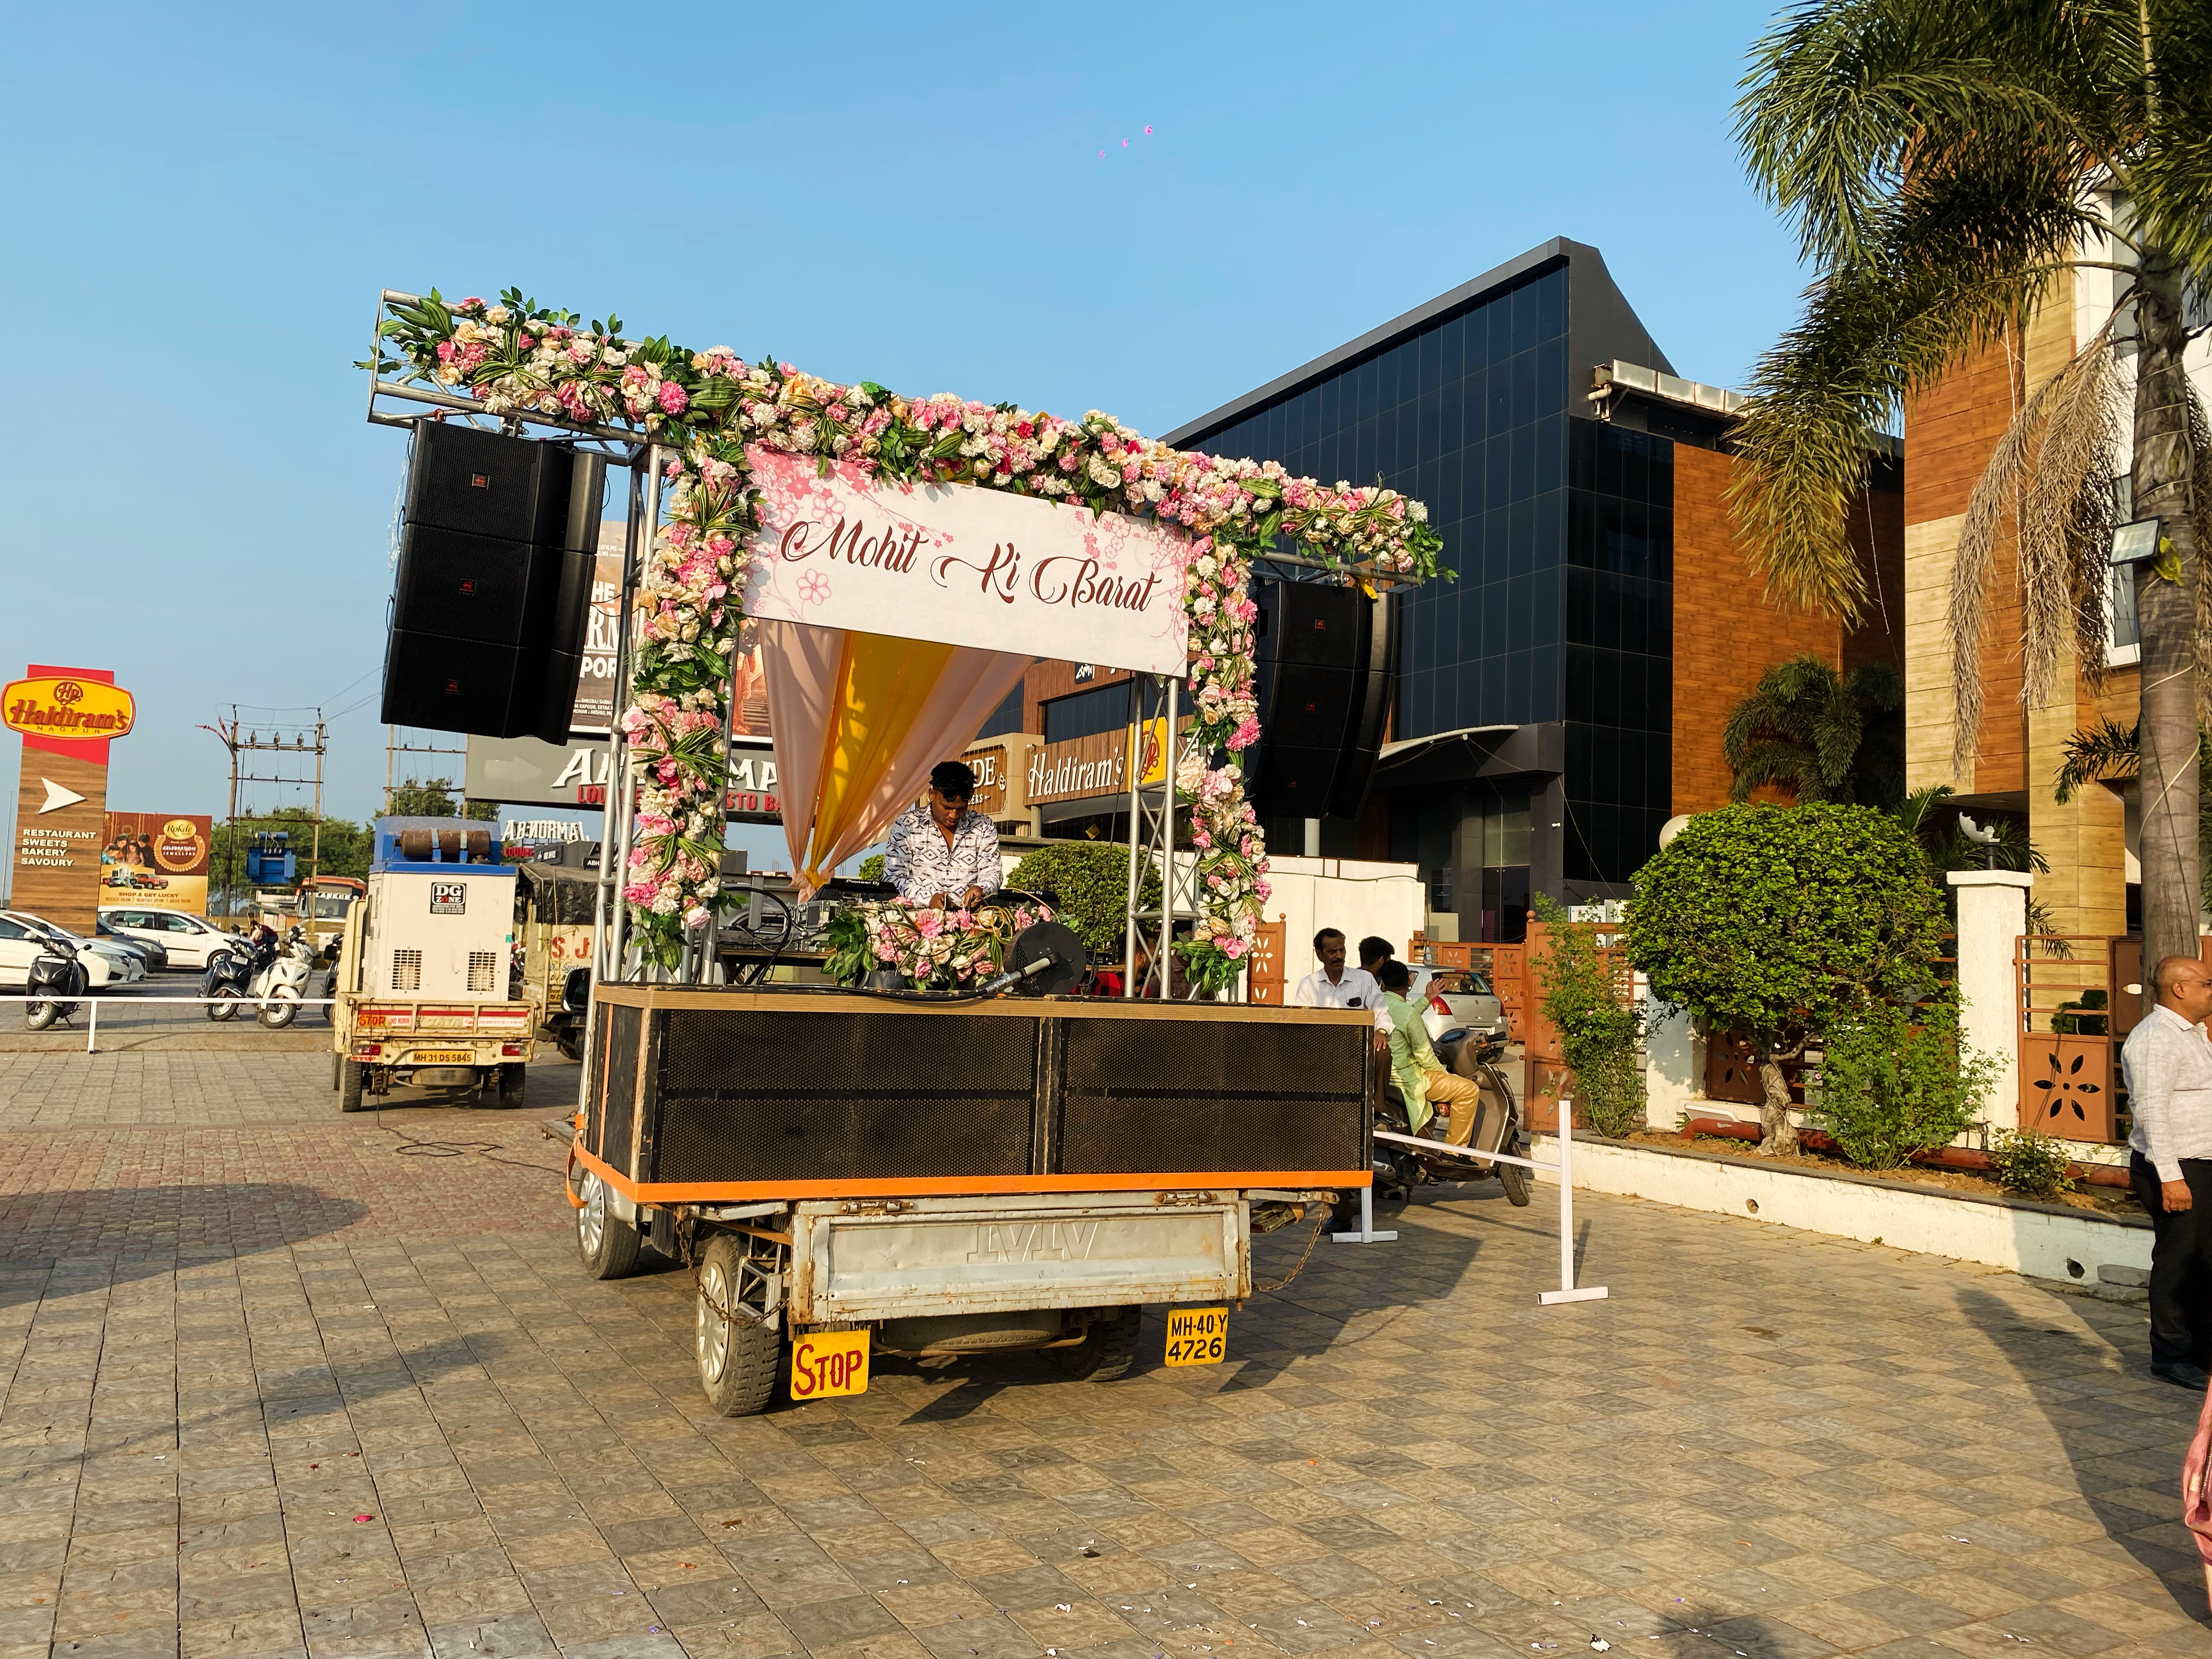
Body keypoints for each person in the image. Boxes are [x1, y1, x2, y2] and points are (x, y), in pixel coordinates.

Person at [2123, 954, 2212, 1389]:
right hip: (2176, 1167)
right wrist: (2171, 1177)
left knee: (2204, 1262)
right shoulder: (2156, 1038)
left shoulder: (2192, 1035)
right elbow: (2152, 1112)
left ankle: (2200, 1352)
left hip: (2202, 1165)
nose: (2211, 991)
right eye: (2207, 984)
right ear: (2180, 988)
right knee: (2179, 1261)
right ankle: (2171, 1355)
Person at [1375, 958, 1480, 1148]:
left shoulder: (1377, 1005)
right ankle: (1455, 1152)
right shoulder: (1407, 1014)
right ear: (1409, 981)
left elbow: (1404, 1016)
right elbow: (1425, 1056)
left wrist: (1427, 999)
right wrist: (1447, 1076)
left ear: (1383, 983)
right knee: (1468, 1090)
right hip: (1409, 1079)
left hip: (1386, 1077)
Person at [883, 761, 1001, 910]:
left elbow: (993, 873)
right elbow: (893, 879)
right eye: (947, 807)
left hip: (972, 923)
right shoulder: (907, 825)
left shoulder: (983, 826)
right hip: (917, 923)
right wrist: (928, 899)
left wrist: (981, 889)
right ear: (932, 795)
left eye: (961, 808)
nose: (954, 815)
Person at [1294, 928, 1380, 1011]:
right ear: (1319, 954)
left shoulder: (1365, 979)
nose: (1339, 956)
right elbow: (1303, 1020)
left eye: (1342, 950)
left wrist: (1382, 1026)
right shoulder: (1308, 985)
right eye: (1332, 952)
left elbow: (1381, 1014)